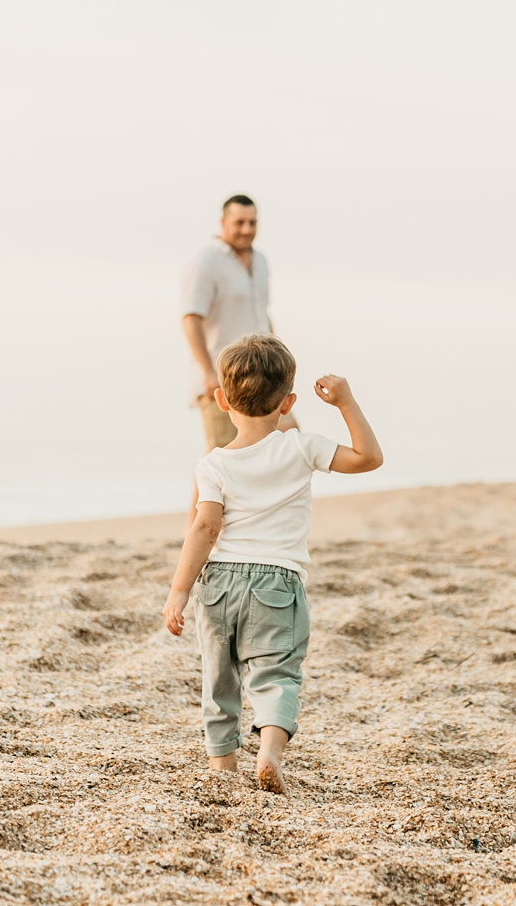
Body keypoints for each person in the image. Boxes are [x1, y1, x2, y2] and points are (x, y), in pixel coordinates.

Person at [162, 334, 383, 792]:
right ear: (288, 403)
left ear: (222, 400)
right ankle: (269, 751)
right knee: (277, 675)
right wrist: (346, 402)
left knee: (218, 680)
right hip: (277, 583)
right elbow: (369, 458)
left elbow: (204, 530)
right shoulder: (301, 447)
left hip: (219, 583)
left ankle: (223, 771)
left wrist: (179, 591)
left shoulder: (213, 464)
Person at [180, 194, 296, 454]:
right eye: (239, 222)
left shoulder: (261, 261)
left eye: (253, 223)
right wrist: (209, 373)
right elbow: (191, 318)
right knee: (222, 456)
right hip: (225, 378)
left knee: (287, 436)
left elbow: (263, 316)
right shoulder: (205, 263)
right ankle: (202, 498)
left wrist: (281, 365)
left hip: (265, 374)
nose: (247, 230)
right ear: (223, 222)